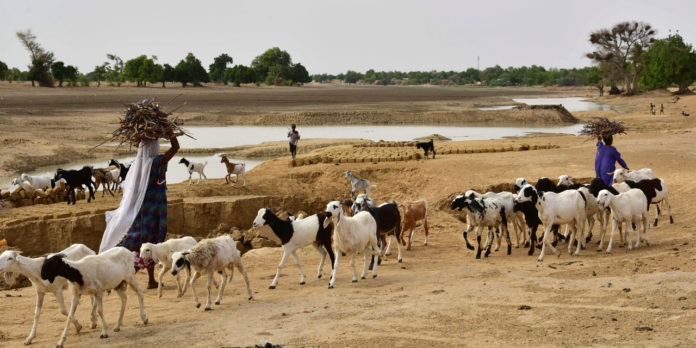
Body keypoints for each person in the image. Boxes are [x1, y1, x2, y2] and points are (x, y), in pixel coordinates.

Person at [99, 131, 180, 289]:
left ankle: (148, 280)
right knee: (150, 243)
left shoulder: (137, 164)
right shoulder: (156, 162)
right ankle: (121, 280)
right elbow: (175, 147)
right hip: (154, 209)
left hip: (139, 210)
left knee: (144, 243)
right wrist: (171, 133)